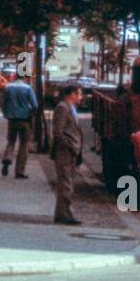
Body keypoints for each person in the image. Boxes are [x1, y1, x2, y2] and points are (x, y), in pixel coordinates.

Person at [51, 82, 84, 226]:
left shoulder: (71, 108)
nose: (81, 97)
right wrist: (69, 146)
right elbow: (58, 132)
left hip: (71, 152)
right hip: (65, 152)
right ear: (72, 94)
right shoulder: (63, 108)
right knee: (66, 185)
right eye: (79, 94)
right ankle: (65, 215)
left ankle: (61, 213)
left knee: (67, 183)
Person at [0, 73, 38, 178]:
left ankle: (7, 158)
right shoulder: (28, 88)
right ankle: (19, 171)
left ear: (15, 77)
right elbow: (35, 105)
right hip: (24, 119)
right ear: (24, 78)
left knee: (11, 141)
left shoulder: (8, 87)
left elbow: (3, 102)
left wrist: (6, 113)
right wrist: (31, 114)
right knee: (24, 144)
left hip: (12, 119)